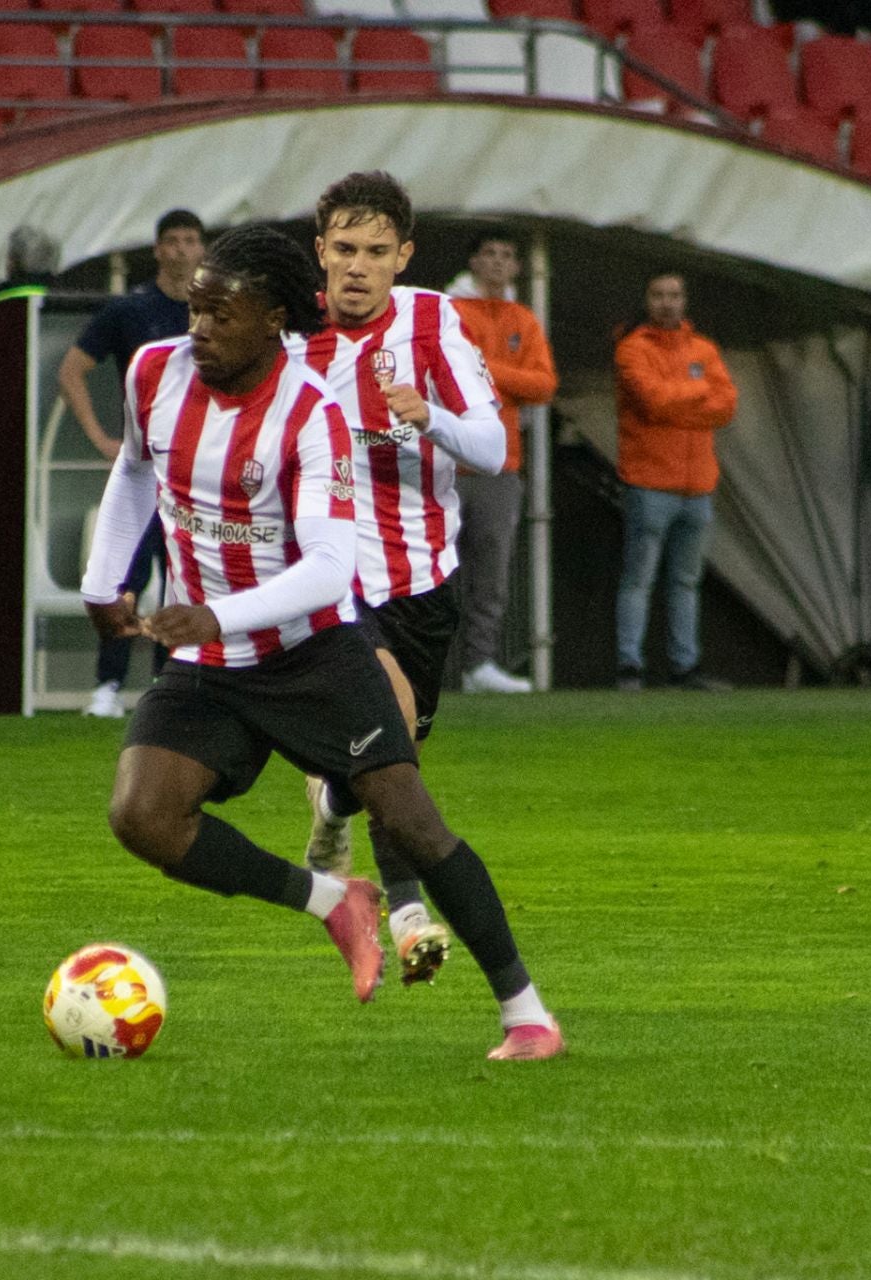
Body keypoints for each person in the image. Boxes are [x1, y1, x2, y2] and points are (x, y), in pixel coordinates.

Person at [82, 224, 561, 1060]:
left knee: (411, 822)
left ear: (273, 320)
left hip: (311, 654)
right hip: (211, 664)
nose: (198, 329)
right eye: (194, 309)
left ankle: (526, 1013)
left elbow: (333, 567)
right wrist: (101, 580)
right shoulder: (153, 371)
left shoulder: (311, 413)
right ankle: (334, 902)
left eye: (220, 315)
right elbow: (131, 470)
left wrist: (218, 614)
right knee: (141, 816)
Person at [285, 171, 507, 986]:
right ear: (320, 252)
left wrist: (431, 417)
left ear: (403, 256)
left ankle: (332, 809)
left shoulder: (432, 320)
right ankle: (410, 913)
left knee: (389, 751)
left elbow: (493, 449)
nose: (357, 267)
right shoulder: (286, 334)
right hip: (327, 579)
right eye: (343, 249)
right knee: (390, 731)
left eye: (376, 252)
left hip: (422, 580)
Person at [57, 209, 206, 717]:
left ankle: (172, 685)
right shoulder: (131, 310)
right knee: (125, 577)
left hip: (195, 472)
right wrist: (102, 437)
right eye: (174, 241)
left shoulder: (214, 311)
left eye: (191, 240)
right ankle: (108, 686)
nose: (183, 250)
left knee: (184, 581)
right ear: (159, 249)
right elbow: (72, 370)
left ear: (202, 249)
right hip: (145, 468)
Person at [613, 272, 738, 691]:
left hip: (697, 483)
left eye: (674, 295)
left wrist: (678, 398)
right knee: (641, 578)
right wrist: (698, 390)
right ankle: (630, 664)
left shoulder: (703, 347)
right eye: (659, 295)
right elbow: (652, 400)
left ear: (685, 301)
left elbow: (726, 407)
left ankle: (685, 665)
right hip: (650, 480)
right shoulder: (633, 348)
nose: (667, 302)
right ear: (647, 300)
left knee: (685, 580)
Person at [447, 230, 558, 694]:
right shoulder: (447, 312)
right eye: (489, 253)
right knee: (431, 573)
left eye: (507, 255)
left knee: (490, 576)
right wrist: (502, 379)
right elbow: (445, 376)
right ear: (473, 261)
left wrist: (488, 371)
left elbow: (544, 385)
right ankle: (427, 666)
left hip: (500, 466)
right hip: (445, 464)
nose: (497, 262)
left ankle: (477, 666)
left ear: (516, 267)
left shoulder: (523, 319)